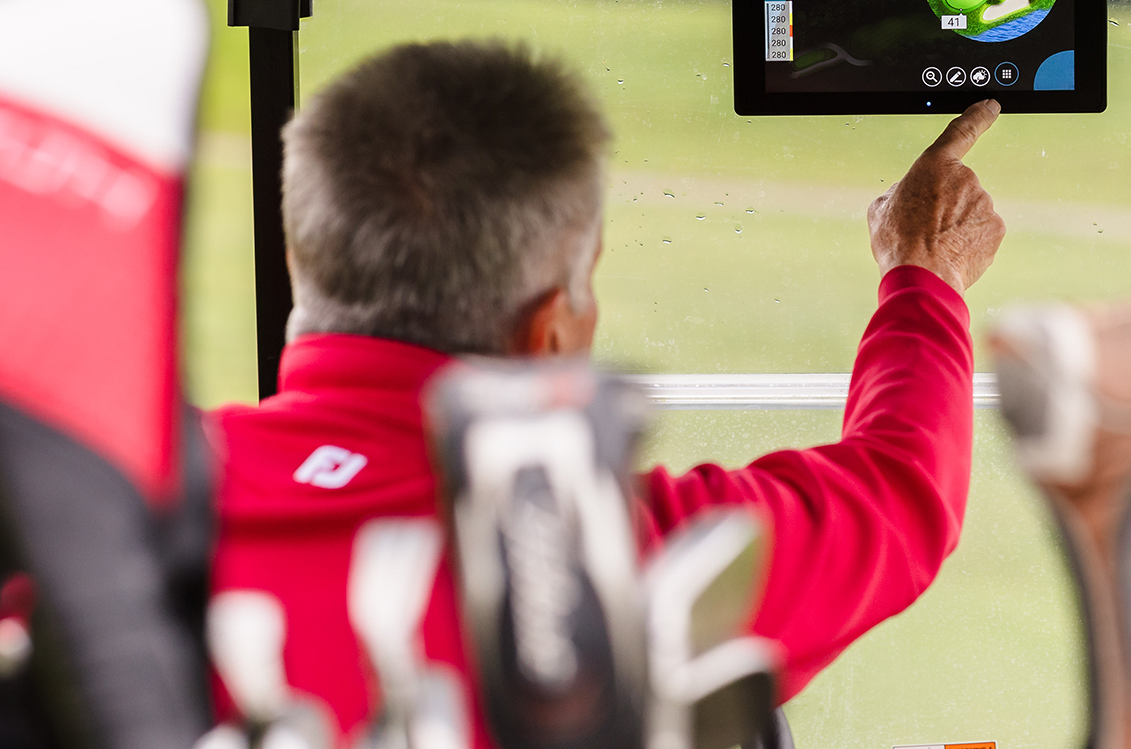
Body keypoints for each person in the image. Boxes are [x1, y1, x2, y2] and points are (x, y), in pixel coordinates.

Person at [207, 40, 1006, 744]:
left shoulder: (132, 497)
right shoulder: (625, 562)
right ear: (551, 328)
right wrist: (922, 269)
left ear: (300, 261)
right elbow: (902, 487)